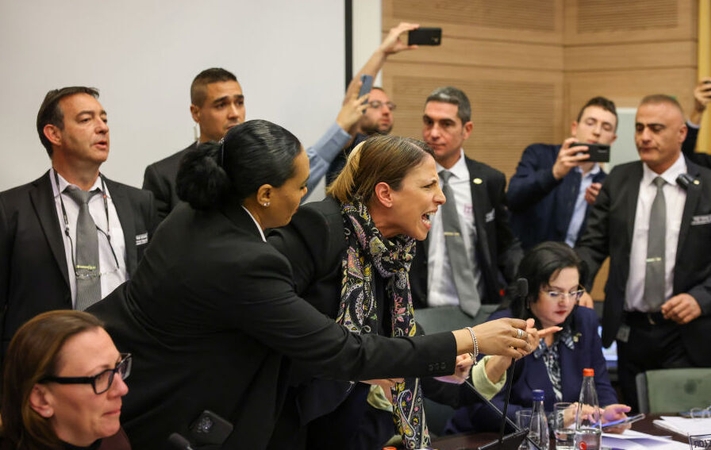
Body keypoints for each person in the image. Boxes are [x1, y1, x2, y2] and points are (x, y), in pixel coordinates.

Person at [87, 120, 536, 450]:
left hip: (305, 407)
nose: (308, 197)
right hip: (202, 411)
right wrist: (473, 337)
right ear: (265, 194)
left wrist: (436, 362)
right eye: (301, 186)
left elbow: (373, 339)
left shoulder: (197, 215)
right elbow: (337, 348)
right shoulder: (273, 249)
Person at [269, 135, 552, 449]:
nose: (441, 197)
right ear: (386, 194)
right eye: (429, 186)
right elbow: (284, 337)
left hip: (344, 431)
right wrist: (471, 337)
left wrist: (460, 363)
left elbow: (403, 352)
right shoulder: (319, 228)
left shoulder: (393, 256)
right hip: (285, 425)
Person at [574, 94, 711, 412]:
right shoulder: (619, 180)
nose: (644, 137)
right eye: (639, 128)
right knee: (636, 421)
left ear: (681, 133)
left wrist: (701, 298)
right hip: (631, 331)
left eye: (655, 128)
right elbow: (592, 245)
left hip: (689, 334)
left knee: (684, 426)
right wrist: (578, 284)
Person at [0, 87, 156, 363]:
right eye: (86, 119)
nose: (102, 128)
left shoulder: (138, 202)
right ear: (54, 134)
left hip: (126, 361)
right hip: (45, 363)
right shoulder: (11, 209)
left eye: (104, 119)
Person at [445, 242, 630, 435]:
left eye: (573, 291)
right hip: (485, 440)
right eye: (554, 293)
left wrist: (606, 413)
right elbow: (485, 409)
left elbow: (599, 383)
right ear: (531, 291)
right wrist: (551, 420)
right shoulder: (503, 328)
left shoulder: (584, 321)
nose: (565, 302)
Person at [142, 68, 364, 221]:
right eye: (221, 105)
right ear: (196, 112)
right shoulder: (163, 175)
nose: (235, 113)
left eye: (239, 102)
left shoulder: (265, 163)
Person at [412, 86, 523, 316]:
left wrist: (522, 286)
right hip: (419, 311)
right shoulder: (407, 179)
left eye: (446, 124)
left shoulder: (490, 180)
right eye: (428, 122)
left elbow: (505, 244)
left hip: (477, 309)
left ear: (467, 129)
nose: (433, 133)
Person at [0, 310, 131, 450]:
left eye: (118, 366)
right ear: (41, 399)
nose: (123, 389)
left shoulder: (113, 441)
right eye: (99, 376)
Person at [507, 96, 617, 251]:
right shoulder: (539, 154)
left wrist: (603, 206)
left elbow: (602, 242)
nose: (597, 132)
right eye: (590, 123)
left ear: (612, 139)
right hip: (524, 264)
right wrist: (554, 173)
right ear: (574, 128)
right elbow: (512, 198)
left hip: (570, 269)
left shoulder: (609, 184)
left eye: (606, 127)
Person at [324, 22, 423, 186]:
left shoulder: (392, 149)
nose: (386, 111)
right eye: (376, 105)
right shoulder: (350, 144)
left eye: (389, 106)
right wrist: (382, 52)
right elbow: (353, 100)